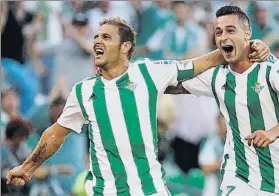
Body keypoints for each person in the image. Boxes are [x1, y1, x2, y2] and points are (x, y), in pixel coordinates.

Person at [7, 17, 269, 196]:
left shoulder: (148, 73)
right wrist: (28, 167)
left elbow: (200, 63)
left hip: (150, 189)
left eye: (106, 37)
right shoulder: (83, 90)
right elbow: (56, 133)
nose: (97, 41)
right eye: (96, 36)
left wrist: (247, 46)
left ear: (126, 46)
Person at [166, 5, 279, 196]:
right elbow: (171, 84)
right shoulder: (217, 77)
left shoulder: (270, 69)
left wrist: (273, 132)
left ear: (247, 33)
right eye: (218, 32)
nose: (223, 36)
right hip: (238, 175)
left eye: (230, 30)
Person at [198, 114, 227, 196]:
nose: (225, 129)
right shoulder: (211, 142)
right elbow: (205, 167)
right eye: (223, 125)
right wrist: (225, 162)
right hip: (213, 191)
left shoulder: (234, 143)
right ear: (218, 124)